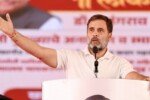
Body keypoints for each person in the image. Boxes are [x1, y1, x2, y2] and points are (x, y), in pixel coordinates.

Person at [0, 13, 149, 81]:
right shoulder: (71, 57)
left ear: (110, 35)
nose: (95, 34)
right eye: (91, 30)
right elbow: (40, 52)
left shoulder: (120, 63)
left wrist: (146, 79)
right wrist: (13, 34)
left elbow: (134, 77)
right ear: (87, 33)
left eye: (100, 30)